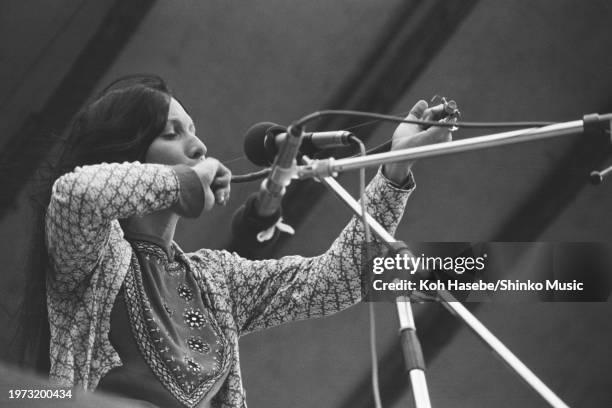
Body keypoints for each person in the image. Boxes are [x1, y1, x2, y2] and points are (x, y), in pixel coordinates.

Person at [43, 74, 451, 407]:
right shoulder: (93, 256)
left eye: (194, 131)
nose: (199, 146)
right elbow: (76, 195)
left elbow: (338, 280)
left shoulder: (217, 277)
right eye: (172, 133)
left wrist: (396, 169)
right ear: (129, 151)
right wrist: (180, 183)